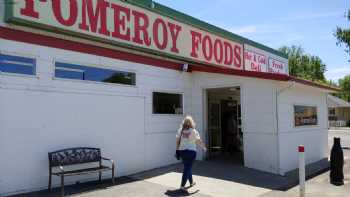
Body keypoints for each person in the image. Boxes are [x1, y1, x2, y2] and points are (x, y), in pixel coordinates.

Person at [176, 116, 207, 192]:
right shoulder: (193, 131)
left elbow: (177, 141)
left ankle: (191, 182)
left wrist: (177, 150)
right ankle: (182, 186)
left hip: (182, 152)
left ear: (184, 122)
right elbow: (198, 141)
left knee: (187, 167)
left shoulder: (180, 131)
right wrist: (204, 147)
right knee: (187, 168)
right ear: (191, 123)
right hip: (191, 152)